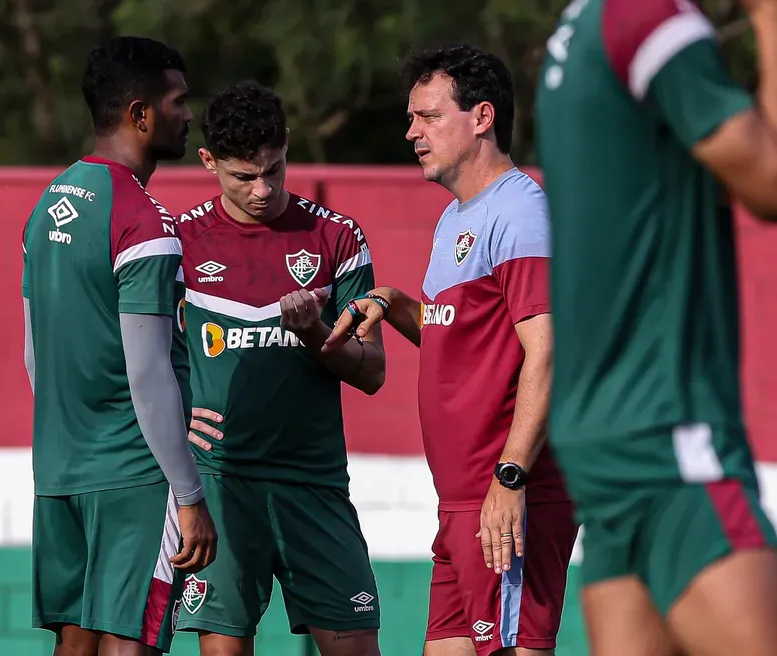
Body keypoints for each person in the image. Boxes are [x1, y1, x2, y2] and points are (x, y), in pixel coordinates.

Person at [533, 0, 777, 654]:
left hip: (605, 437)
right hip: (667, 432)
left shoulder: (583, 27)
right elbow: (770, 181)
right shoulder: (654, 21)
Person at [325, 45, 577, 656]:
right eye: (412, 118)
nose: (411, 131)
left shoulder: (519, 211)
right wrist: (392, 301)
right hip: (460, 504)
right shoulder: (456, 219)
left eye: (428, 116)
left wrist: (510, 478)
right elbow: (457, 332)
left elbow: (549, 353)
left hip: (504, 499)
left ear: (482, 117)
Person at [170, 80, 386, 656]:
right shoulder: (180, 242)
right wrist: (178, 419)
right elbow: (146, 357)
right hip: (218, 482)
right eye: (244, 176)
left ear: (287, 147)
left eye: (275, 169)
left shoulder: (338, 238)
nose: (263, 188)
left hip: (312, 481)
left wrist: (315, 332)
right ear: (209, 161)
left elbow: (373, 372)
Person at [20, 36, 219, 656]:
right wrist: (189, 495)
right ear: (140, 113)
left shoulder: (45, 204)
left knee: (74, 643)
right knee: (130, 641)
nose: (188, 115)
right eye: (178, 102)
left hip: (58, 471)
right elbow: (149, 372)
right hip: (135, 476)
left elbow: (33, 358)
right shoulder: (144, 220)